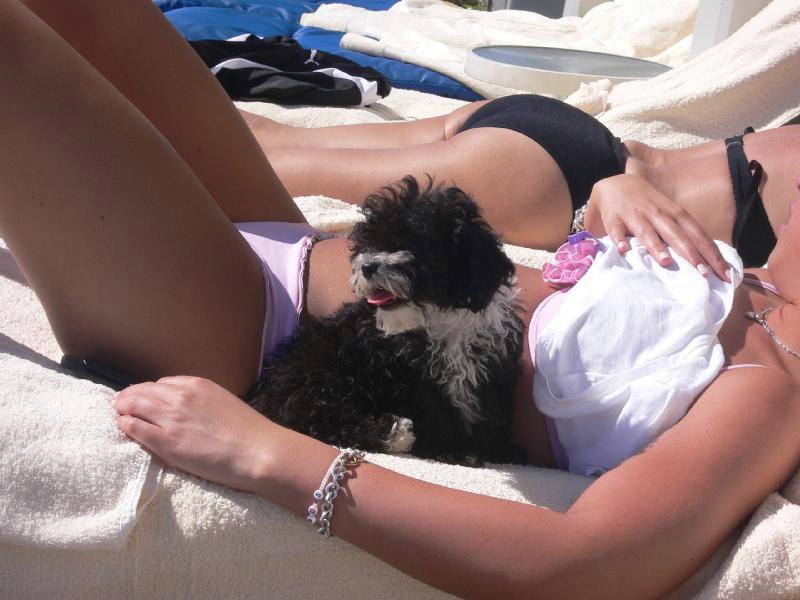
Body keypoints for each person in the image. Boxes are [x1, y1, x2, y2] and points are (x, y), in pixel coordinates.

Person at [1, 0, 799, 597]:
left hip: (248, 334)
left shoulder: (769, 390)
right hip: (295, 245)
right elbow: (575, 278)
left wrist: (266, 456)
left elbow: (585, 562)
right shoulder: (748, 279)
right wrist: (615, 196)